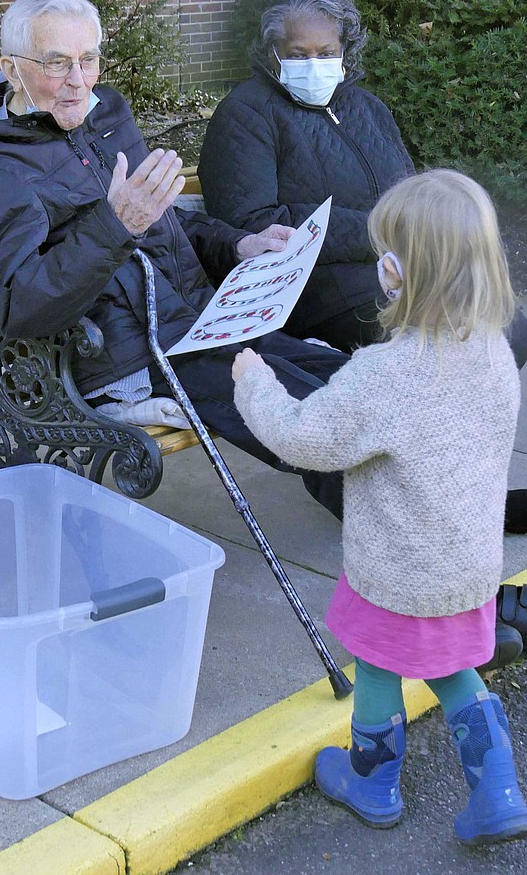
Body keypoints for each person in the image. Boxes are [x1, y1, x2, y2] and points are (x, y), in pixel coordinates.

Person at [0, 0, 349, 517]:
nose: (78, 83)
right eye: (57, 63)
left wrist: (238, 243)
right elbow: (20, 305)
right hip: (120, 359)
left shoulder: (103, 113)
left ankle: (425, 520)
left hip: (197, 323)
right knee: (312, 416)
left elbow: (160, 220)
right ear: (12, 69)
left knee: (351, 384)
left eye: (88, 60)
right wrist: (115, 224)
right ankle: (399, 558)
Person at [231, 169, 527, 844]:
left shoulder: (386, 374)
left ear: (395, 271)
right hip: (467, 568)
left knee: (378, 665)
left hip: (396, 572)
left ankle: (373, 781)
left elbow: (305, 440)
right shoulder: (492, 352)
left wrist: (257, 384)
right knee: (456, 672)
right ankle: (499, 791)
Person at [198, 0, 415, 353]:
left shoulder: (367, 108)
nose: (314, 65)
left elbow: (411, 193)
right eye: (299, 55)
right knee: (431, 330)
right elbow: (252, 223)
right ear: (273, 55)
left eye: (327, 52)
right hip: (304, 287)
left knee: (505, 321)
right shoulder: (245, 114)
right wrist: (377, 233)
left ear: (344, 52)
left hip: (391, 265)